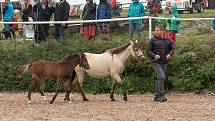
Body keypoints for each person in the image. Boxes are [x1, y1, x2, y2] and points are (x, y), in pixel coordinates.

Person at [146, 25, 174, 102]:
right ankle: (161, 95)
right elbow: (148, 51)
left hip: (164, 62)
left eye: (158, 30)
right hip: (155, 62)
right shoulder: (152, 40)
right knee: (161, 76)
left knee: (160, 78)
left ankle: (157, 96)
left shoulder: (168, 40)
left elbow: (172, 49)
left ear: (162, 31)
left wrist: (170, 54)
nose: (156, 32)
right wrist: (155, 55)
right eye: (155, 30)